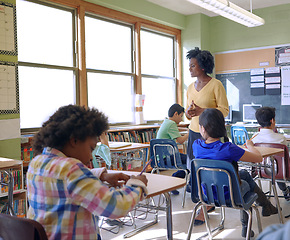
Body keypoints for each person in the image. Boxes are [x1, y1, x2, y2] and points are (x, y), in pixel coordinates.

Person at [27, 105, 148, 240]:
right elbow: (116, 206)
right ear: (74, 140)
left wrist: (102, 175)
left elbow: (64, 182)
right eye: (91, 148)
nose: (91, 157)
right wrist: (137, 184)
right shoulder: (71, 169)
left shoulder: (37, 163)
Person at [192, 108, 278, 238]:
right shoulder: (228, 149)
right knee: (248, 185)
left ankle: (266, 206)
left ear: (203, 129)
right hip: (230, 195)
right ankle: (252, 220)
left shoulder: (196, 145)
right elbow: (258, 158)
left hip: (206, 194)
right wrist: (250, 146)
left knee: (243, 174)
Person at [185, 47, 229, 169]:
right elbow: (187, 115)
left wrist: (203, 111)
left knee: (211, 169)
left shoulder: (216, 85)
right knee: (193, 168)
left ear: (203, 67)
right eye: (189, 65)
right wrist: (188, 113)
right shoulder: (189, 88)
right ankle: (193, 188)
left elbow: (224, 111)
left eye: (193, 66)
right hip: (194, 132)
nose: (189, 69)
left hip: (212, 134)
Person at [252, 106, 290, 200]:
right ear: (272, 120)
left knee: (274, 166)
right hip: (281, 172)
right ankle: (286, 192)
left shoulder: (254, 138)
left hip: (262, 172)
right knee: (279, 165)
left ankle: (286, 191)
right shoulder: (281, 138)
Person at [156, 103, 189, 195]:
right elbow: (180, 141)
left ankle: (173, 182)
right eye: (181, 116)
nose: (181, 119)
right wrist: (189, 133)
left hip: (159, 158)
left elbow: (175, 129)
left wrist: (184, 130)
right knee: (191, 161)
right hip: (167, 158)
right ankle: (175, 182)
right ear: (175, 114)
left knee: (187, 163)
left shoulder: (166, 122)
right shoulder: (172, 124)